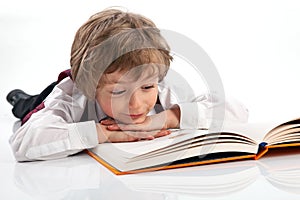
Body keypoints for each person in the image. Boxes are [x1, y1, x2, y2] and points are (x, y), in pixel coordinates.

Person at [7, 8, 248, 162]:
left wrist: (168, 118)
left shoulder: (162, 91)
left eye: (146, 88)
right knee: (26, 106)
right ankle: (18, 98)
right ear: (92, 86)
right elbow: (24, 143)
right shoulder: (72, 95)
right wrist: (104, 134)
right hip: (50, 94)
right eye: (118, 91)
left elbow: (236, 110)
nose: (137, 104)